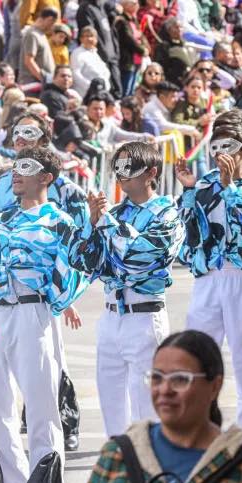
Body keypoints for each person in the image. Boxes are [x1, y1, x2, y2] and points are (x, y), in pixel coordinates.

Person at [174, 109, 242, 436]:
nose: (221, 153)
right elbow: (190, 233)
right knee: (197, 350)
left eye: (228, 146)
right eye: (216, 146)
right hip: (208, 276)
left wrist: (231, 187)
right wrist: (189, 190)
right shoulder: (205, 182)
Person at [0, 146, 87, 483]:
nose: (16, 173)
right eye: (15, 166)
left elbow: (73, 273)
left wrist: (60, 302)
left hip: (32, 313)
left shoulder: (60, 222)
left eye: (26, 167)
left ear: (46, 177)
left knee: (42, 410)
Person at [82, 330, 242, 483]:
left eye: (180, 379)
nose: (165, 390)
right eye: (157, 378)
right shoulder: (118, 457)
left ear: (214, 386)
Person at [69, 142, 184, 438]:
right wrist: (91, 224)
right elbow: (84, 262)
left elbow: (139, 257)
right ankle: (119, 463)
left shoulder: (167, 213)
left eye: (128, 168)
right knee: (112, 412)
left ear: (151, 173)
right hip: (111, 317)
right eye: (116, 168)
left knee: (147, 412)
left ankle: (151, 465)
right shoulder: (115, 213)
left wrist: (105, 223)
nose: (121, 175)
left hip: (144, 317)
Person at [114, 0, 148, 96]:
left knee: (132, 89)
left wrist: (145, 46)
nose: (136, 5)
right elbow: (128, 39)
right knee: (126, 90)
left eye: (137, 3)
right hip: (127, 60)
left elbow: (140, 35)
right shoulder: (121, 20)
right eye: (133, 3)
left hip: (137, 60)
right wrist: (142, 50)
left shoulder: (134, 20)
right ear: (125, 5)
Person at [17, 8, 59, 87]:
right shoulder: (32, 34)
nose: (52, 26)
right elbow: (29, 61)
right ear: (49, 19)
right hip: (33, 83)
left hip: (42, 83)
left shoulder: (41, 34)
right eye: (52, 22)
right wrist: (44, 79)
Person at [70, 26, 110, 97]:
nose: (89, 39)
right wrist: (91, 87)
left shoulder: (95, 53)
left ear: (96, 39)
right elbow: (76, 74)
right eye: (86, 36)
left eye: (92, 36)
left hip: (99, 92)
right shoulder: (77, 53)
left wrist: (105, 86)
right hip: (83, 94)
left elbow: (106, 72)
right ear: (81, 39)